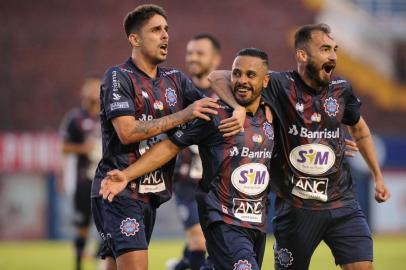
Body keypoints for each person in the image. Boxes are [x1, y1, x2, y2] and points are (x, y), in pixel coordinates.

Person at [208, 23, 390, 270]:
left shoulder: (341, 90)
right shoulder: (279, 85)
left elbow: (359, 129)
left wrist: (378, 176)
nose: (333, 56)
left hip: (342, 203)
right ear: (303, 55)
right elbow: (217, 77)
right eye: (325, 49)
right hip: (296, 209)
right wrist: (238, 107)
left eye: (334, 49)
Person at [90, 4, 240, 270]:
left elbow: (215, 96)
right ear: (134, 39)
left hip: (151, 193)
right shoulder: (118, 77)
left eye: (166, 29)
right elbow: (127, 132)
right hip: (119, 189)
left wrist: (238, 108)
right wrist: (183, 115)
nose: (165, 36)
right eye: (156, 30)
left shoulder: (175, 80)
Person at [100, 48, 274, 270]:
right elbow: (171, 146)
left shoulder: (272, 114)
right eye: (237, 74)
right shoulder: (215, 114)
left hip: (256, 222)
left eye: (250, 75)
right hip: (222, 218)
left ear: (266, 81)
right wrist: (126, 174)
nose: (242, 81)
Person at [167, 33, 221, 270]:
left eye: (200, 53)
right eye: (190, 53)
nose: (193, 58)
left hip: (217, 184)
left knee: (211, 243)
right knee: (199, 241)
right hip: (186, 182)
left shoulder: (227, 97)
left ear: (216, 59)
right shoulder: (176, 95)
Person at [60, 77, 102, 270]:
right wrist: (83, 148)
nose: (94, 91)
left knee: (107, 227)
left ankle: (99, 262)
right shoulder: (75, 118)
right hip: (83, 182)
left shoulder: (109, 117)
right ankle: (78, 266)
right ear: (83, 91)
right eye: (91, 87)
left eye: (98, 87)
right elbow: (64, 147)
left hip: (105, 183)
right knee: (82, 228)